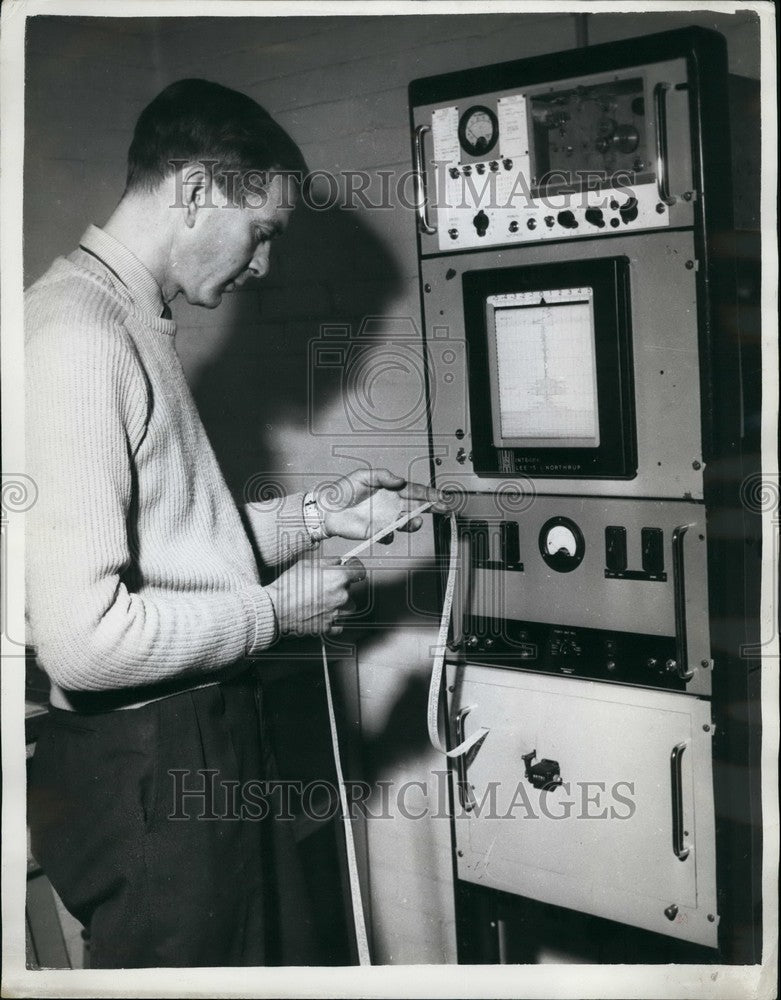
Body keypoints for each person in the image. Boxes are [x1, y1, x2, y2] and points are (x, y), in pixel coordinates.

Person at [25, 78, 441, 968]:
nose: (263, 268)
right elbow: (83, 642)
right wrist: (277, 616)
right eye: (262, 234)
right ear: (195, 191)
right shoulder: (78, 337)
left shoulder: (126, 318)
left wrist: (320, 514)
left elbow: (171, 544)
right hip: (147, 767)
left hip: (187, 749)